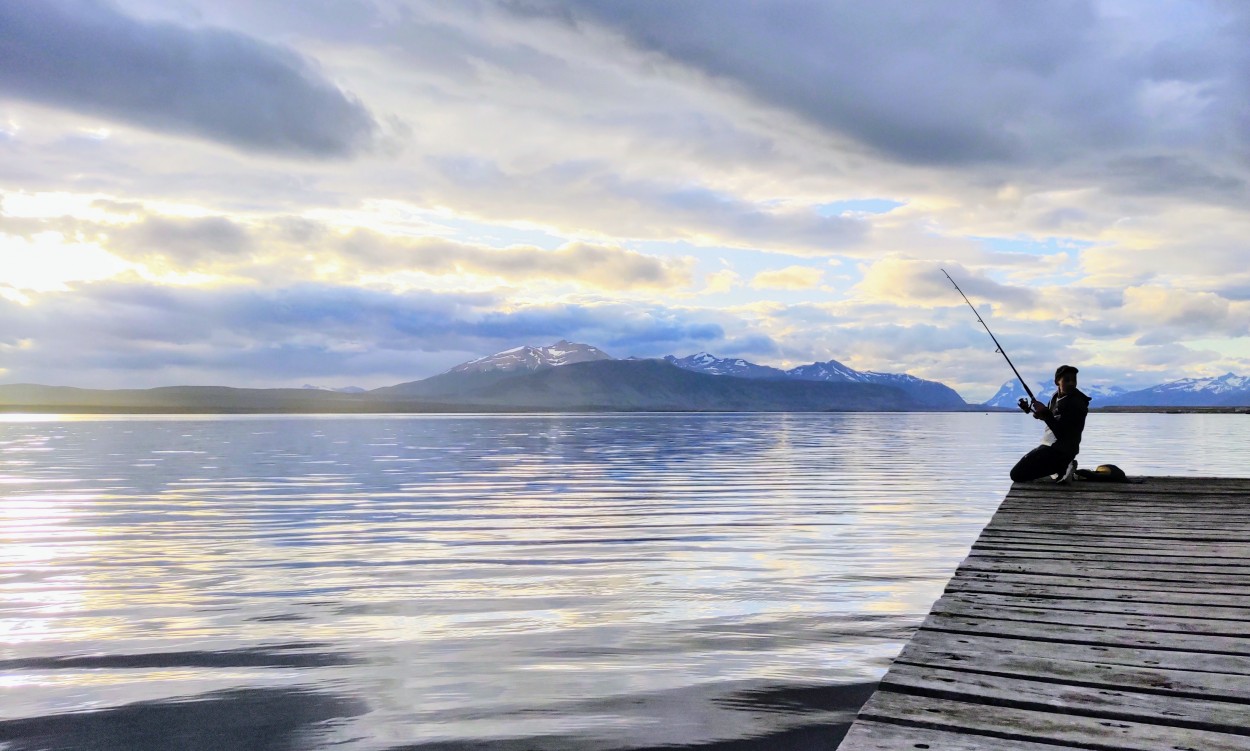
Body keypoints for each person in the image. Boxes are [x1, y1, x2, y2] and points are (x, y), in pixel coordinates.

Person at [1010, 365, 1090, 484]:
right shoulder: (1055, 397)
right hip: (1049, 446)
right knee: (1020, 472)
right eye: (1067, 380)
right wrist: (1038, 413)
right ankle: (1060, 469)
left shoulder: (1077, 403)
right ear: (1057, 382)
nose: (1072, 383)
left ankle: (1063, 466)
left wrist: (1046, 415)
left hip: (1061, 450)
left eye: (1074, 380)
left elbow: (1064, 435)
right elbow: (1051, 419)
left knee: (1016, 474)